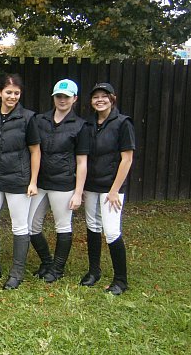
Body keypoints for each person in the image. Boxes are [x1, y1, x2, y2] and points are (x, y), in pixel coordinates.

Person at [0, 73, 41, 290]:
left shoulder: (28, 118)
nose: (12, 96)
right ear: (0, 93)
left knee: (20, 226)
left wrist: (33, 181)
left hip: (18, 179)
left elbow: (35, 151)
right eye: (9, 92)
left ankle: (17, 273)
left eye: (16, 93)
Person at [28, 79, 89, 283]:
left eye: (66, 97)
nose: (62, 100)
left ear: (74, 99)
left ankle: (57, 268)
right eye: (59, 96)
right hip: (40, 182)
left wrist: (78, 192)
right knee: (30, 226)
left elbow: (81, 162)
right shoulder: (40, 120)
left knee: (62, 226)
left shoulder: (80, 126)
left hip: (63, 184)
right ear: (53, 97)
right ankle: (46, 261)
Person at [80, 82, 134, 295]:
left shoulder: (123, 123)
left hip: (112, 188)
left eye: (104, 96)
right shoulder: (89, 124)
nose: (99, 100)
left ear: (112, 98)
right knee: (92, 227)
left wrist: (114, 190)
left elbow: (127, 159)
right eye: (95, 97)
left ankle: (121, 280)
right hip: (92, 186)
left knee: (111, 231)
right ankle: (94, 271)